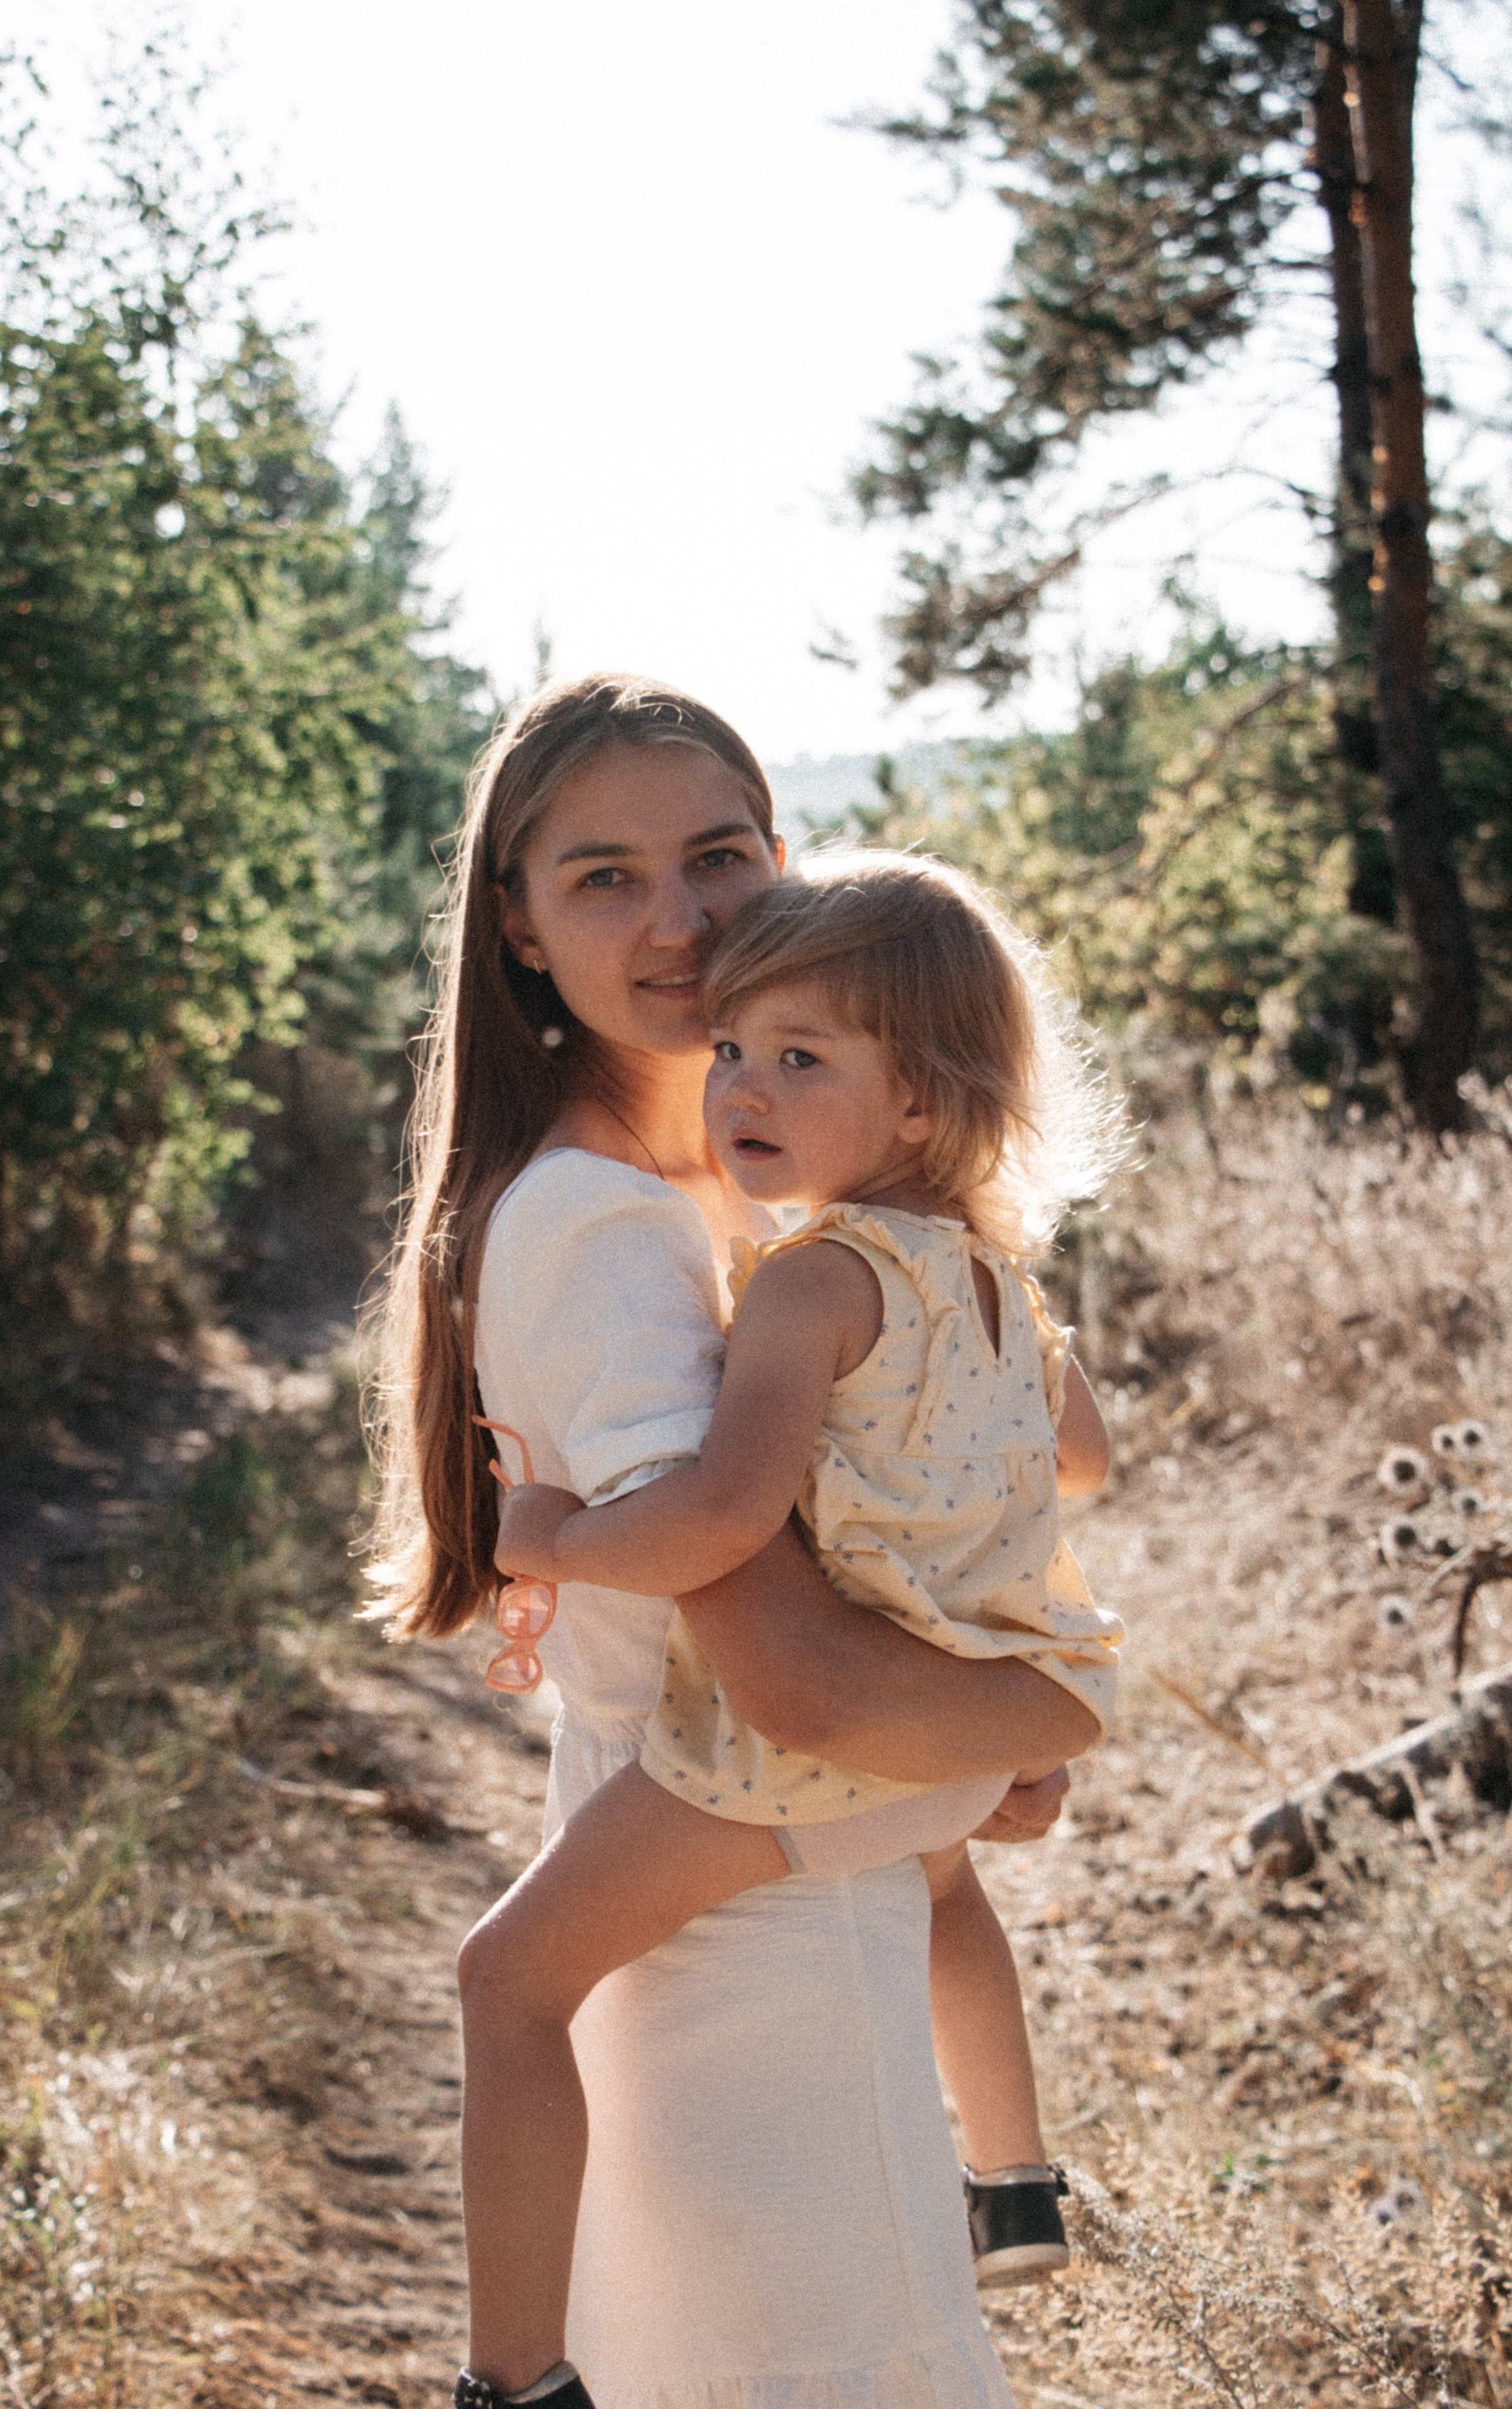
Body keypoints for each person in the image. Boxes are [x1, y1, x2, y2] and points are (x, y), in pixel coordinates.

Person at [366, 674, 1117, 2409]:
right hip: (746, 1938)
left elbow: (972, 1489)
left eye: (714, 855)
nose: (681, 919)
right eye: (604, 879)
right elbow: (798, 1688)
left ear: (780, 856)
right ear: (520, 930)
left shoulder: (768, 1195)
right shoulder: (612, 1231)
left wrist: (978, 1709)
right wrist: (1023, 1715)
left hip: (787, 1889)